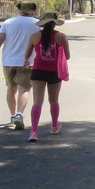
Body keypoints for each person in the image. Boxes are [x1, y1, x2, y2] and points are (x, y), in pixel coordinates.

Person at [0, 0, 40, 130]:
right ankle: (19, 114)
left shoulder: (8, 22)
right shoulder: (38, 24)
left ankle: (12, 116)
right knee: (24, 88)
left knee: (11, 89)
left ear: (19, 10)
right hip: (27, 61)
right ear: (33, 11)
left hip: (8, 61)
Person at [22, 12, 70, 143]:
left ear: (42, 23)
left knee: (37, 101)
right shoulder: (61, 36)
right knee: (53, 100)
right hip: (54, 72)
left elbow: (27, 54)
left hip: (38, 71)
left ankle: (34, 132)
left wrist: (26, 61)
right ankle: (54, 126)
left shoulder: (34, 36)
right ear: (54, 24)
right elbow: (67, 56)